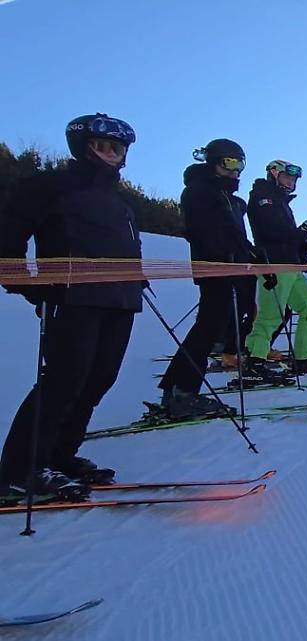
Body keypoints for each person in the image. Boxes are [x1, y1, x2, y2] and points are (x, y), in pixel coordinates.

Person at [0, 113, 142, 498]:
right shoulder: (50, 186)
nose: (111, 154)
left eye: (118, 148)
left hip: (120, 300)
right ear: (82, 147)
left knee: (99, 379)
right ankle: (20, 469)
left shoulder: (120, 201)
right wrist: (27, 284)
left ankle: (59, 456)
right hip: (72, 298)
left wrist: (138, 280)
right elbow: (10, 235)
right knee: (64, 380)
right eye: (103, 146)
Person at [157, 139, 255, 419]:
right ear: (212, 162)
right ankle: (183, 394)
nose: (235, 170)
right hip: (216, 268)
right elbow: (204, 232)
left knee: (208, 328)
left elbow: (234, 234)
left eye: (239, 164)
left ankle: (176, 389)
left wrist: (249, 254)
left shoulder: (224, 194)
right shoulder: (200, 191)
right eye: (229, 163)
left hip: (229, 268)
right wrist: (227, 255)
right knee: (208, 330)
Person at [243, 160, 307, 375]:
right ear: (274, 174)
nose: (292, 181)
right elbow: (273, 230)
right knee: (272, 314)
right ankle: (254, 361)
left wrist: (302, 250)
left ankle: (305, 357)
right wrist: (302, 236)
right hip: (274, 263)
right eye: (287, 177)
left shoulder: (281, 201)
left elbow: (286, 235)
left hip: (290, 264)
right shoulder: (263, 196)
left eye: (294, 178)